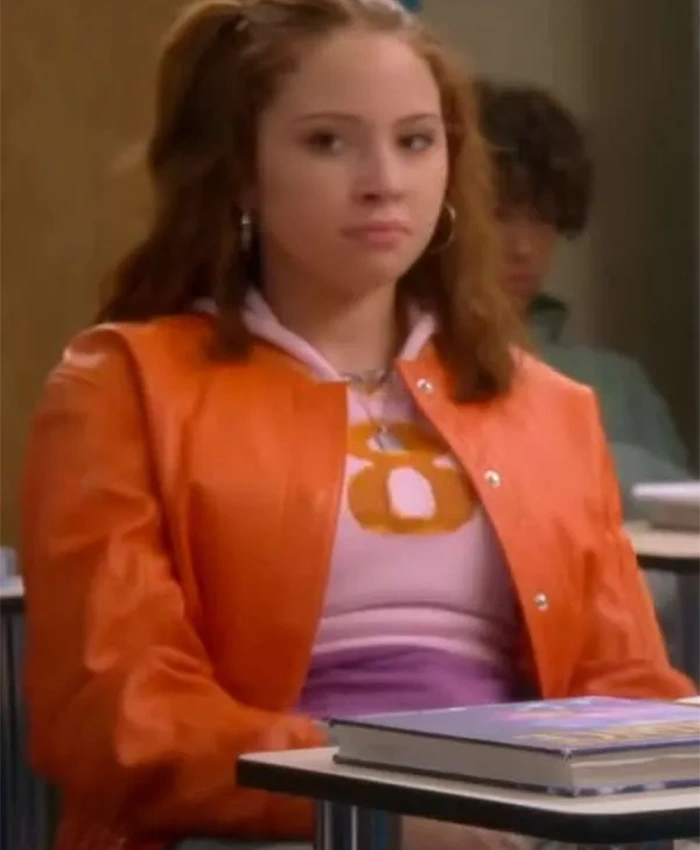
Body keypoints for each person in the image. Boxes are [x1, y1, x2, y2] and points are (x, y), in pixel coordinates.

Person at [20, 3, 694, 850]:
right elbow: (121, 714)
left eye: (415, 141)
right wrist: (386, 813)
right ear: (239, 173)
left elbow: (629, 688)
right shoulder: (122, 387)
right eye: (328, 142)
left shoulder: (546, 406)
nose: (384, 181)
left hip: (515, 818)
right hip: (257, 825)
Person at [476, 80, 692, 664]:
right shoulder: (407, 370)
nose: (524, 247)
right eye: (500, 216)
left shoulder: (618, 383)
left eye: (544, 220)